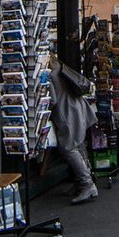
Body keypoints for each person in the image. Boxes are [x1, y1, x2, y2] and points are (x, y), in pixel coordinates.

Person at [47, 61, 98, 204]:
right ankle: (81, 181)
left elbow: (52, 100)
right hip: (77, 108)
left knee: (68, 148)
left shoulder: (47, 73)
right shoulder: (57, 65)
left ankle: (87, 184)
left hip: (67, 113)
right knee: (79, 145)